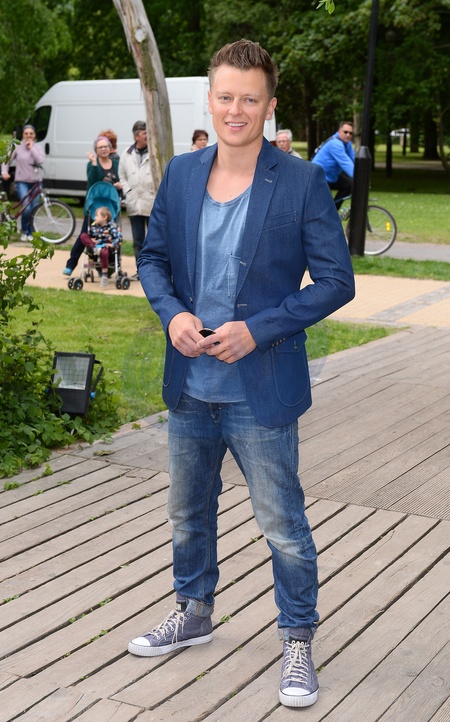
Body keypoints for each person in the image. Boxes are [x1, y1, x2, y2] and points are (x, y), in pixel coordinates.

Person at [129, 39, 355, 709]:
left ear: (269, 105)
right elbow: (153, 259)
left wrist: (259, 329)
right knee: (187, 514)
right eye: (225, 97)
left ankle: (297, 639)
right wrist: (172, 313)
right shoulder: (181, 174)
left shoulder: (301, 182)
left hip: (261, 389)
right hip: (189, 386)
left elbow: (337, 281)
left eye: (249, 99)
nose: (236, 110)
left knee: (282, 523)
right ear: (210, 99)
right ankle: (193, 612)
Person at [63, 135, 122, 276]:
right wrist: (94, 164)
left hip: (110, 208)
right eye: (100, 147)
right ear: (96, 150)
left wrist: (120, 185)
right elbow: (92, 182)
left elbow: (122, 179)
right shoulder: (92, 164)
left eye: (105, 146)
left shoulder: (116, 163)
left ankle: (108, 268)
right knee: (84, 235)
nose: (103, 149)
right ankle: (71, 264)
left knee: (112, 236)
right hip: (94, 207)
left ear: (110, 148)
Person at [119, 120, 155, 280]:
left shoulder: (154, 151)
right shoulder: (126, 154)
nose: (148, 136)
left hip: (151, 201)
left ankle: (155, 272)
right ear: (136, 136)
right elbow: (122, 176)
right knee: (138, 241)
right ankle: (141, 272)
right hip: (134, 202)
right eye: (145, 133)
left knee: (154, 240)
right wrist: (128, 190)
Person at [1, 124, 45, 241]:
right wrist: (4, 172)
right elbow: (6, 161)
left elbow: (41, 160)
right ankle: (25, 231)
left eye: (31, 133)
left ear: (34, 135)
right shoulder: (17, 146)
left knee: (34, 208)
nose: (28, 136)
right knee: (26, 207)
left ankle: (31, 232)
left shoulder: (38, 147)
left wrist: (31, 148)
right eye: (26, 133)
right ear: (22, 135)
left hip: (36, 182)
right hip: (22, 182)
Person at [311, 121, 355, 209]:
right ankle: (330, 212)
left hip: (331, 177)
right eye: (345, 132)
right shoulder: (335, 144)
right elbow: (346, 163)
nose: (348, 135)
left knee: (349, 185)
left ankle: (333, 210)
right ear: (339, 132)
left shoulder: (347, 144)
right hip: (319, 177)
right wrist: (359, 177)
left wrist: (362, 173)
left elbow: (353, 160)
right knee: (326, 204)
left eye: (350, 133)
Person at [80, 206, 122, 287]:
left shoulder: (112, 227)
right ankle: (94, 249)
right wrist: (91, 240)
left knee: (104, 251)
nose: (95, 217)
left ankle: (104, 275)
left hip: (106, 247)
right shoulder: (94, 226)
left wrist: (112, 244)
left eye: (97, 215)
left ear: (105, 217)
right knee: (83, 236)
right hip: (94, 246)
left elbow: (119, 238)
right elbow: (89, 236)